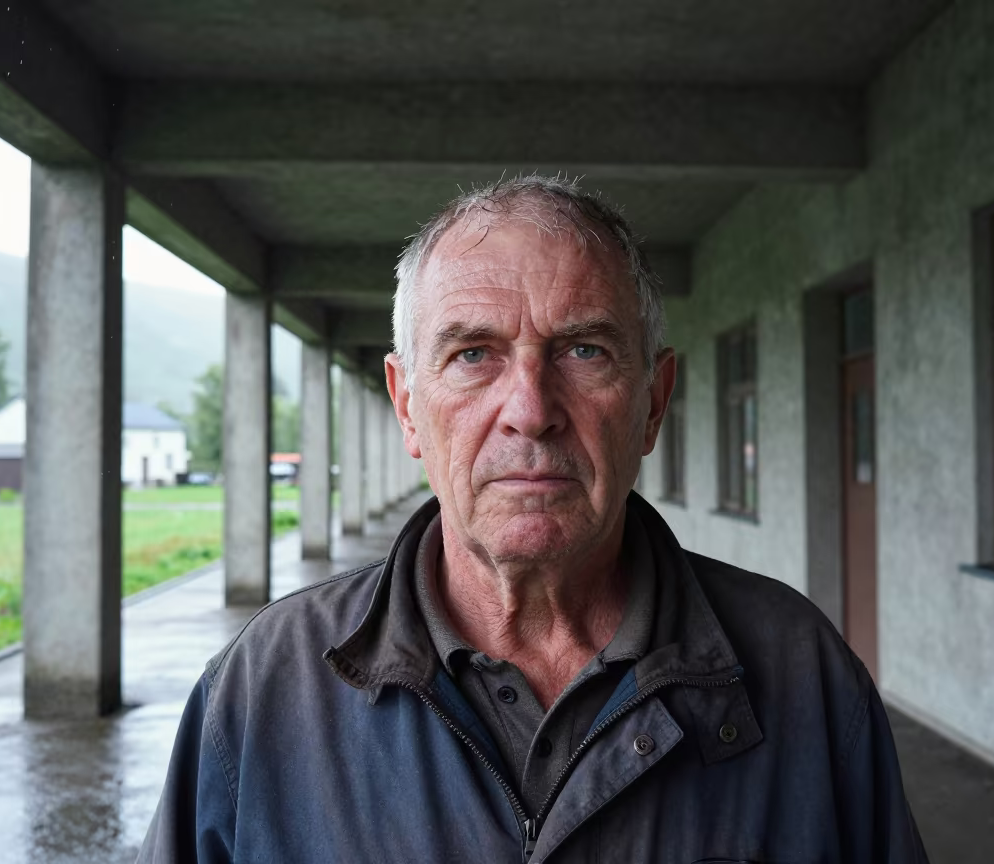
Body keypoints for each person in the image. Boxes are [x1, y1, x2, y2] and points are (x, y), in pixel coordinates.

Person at [138, 175, 928, 863]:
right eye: (473, 354)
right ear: (407, 406)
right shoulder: (269, 688)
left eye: (584, 351)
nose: (530, 411)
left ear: (652, 402)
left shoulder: (801, 673)